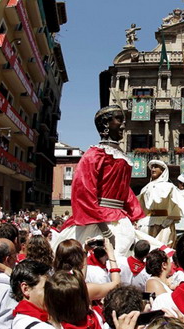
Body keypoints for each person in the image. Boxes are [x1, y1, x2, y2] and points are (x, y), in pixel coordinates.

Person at [52, 105, 145, 258]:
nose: (123, 124)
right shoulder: (94, 154)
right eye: (119, 119)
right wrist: (104, 228)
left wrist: (134, 214)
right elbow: (83, 190)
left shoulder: (122, 156)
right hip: (98, 220)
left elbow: (124, 190)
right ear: (106, 124)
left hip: (120, 219)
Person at [137, 160, 184, 246]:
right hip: (147, 223)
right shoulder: (146, 188)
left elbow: (177, 206)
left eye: (156, 167)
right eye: (152, 167)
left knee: (161, 250)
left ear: (162, 170)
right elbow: (141, 207)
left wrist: (168, 221)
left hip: (164, 225)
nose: (153, 169)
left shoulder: (168, 187)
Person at [11, 260, 53, 329]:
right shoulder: (37, 326)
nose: (52, 293)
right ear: (25, 289)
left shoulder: (20, 320)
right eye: (46, 288)